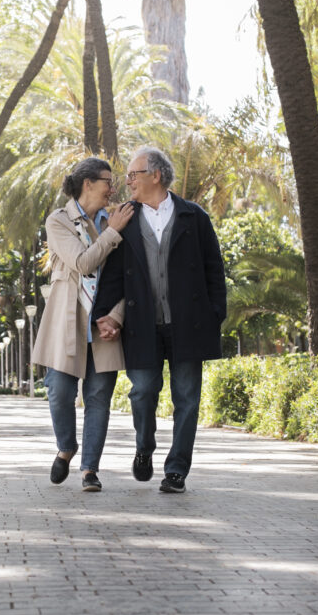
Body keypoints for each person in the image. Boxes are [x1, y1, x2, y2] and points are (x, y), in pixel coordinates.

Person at [91, 146, 226, 493]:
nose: (128, 181)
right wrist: (104, 316)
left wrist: (214, 316)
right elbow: (113, 274)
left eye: (133, 175)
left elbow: (214, 269)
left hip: (189, 324)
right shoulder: (125, 219)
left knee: (187, 399)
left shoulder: (193, 217)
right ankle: (144, 447)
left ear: (156, 175)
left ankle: (177, 469)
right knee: (143, 392)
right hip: (141, 325)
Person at [32, 157, 135, 492]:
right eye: (108, 180)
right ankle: (66, 447)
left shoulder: (120, 217)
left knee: (99, 395)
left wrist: (116, 316)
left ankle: (90, 469)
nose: (113, 187)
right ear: (88, 183)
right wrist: (112, 233)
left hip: (105, 323)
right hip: (67, 320)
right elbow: (82, 262)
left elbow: (127, 277)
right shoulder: (59, 221)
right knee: (59, 392)